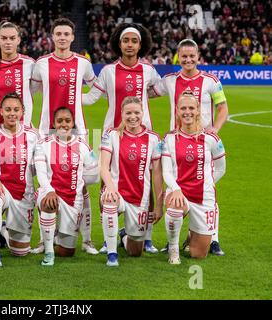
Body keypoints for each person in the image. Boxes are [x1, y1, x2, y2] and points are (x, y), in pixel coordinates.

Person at [82, 23, 161, 254]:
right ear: (119, 43)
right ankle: (110, 237)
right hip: (111, 134)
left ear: (140, 44)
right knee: (106, 181)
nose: (129, 45)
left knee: (145, 180)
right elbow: (92, 97)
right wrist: (70, 95)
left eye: (134, 41)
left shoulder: (148, 71)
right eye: (125, 40)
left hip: (143, 134)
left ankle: (146, 236)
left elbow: (160, 90)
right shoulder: (108, 71)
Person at [152, 39, 229, 255]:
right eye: (184, 56)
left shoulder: (211, 81)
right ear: (178, 56)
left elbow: (223, 108)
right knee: (175, 190)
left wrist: (214, 129)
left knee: (208, 190)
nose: (188, 60)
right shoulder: (169, 81)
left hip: (203, 145)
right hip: (176, 146)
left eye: (191, 56)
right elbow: (147, 93)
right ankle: (173, 239)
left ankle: (213, 238)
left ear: (198, 56)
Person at [31, 17, 99, 255]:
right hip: (46, 130)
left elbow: (95, 88)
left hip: (76, 130)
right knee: (44, 182)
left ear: (72, 37)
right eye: (58, 33)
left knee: (81, 184)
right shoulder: (41, 64)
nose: (62, 37)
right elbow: (31, 94)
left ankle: (87, 240)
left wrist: (81, 100)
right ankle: (44, 238)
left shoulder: (83, 63)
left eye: (66, 34)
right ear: (52, 37)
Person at [0, 21, 36, 254]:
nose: (8, 42)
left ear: (19, 40)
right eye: (4, 38)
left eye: (13, 38)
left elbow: (36, 92)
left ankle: (13, 228)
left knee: (24, 181)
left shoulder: (30, 65)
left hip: (23, 134)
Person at [161, 90, 226, 264]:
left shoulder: (212, 138)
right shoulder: (169, 138)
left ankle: (192, 235)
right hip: (179, 192)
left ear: (198, 110)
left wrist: (208, 184)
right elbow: (166, 171)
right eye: (183, 108)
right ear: (177, 111)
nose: (187, 112)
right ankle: (173, 250)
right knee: (174, 206)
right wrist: (175, 189)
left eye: (191, 108)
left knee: (199, 254)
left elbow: (220, 168)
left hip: (203, 196)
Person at [100, 97, 163, 266]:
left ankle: (123, 235)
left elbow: (157, 173)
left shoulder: (154, 139)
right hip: (118, 193)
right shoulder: (111, 135)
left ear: (143, 114)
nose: (132, 116)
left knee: (135, 251)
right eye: (128, 113)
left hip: (139, 198)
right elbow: (103, 166)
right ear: (122, 114)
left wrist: (158, 204)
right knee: (109, 201)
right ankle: (112, 253)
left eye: (136, 112)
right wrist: (111, 189)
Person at [0, 92, 39, 267]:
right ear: (1, 112)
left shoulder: (33, 136)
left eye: (16, 109)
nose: (12, 113)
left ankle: (3, 230)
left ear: (23, 112)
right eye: (8, 109)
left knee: (21, 251)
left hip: (23, 193)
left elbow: (37, 168)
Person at [34, 106, 99, 266]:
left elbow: (94, 174)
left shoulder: (83, 146)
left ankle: (54, 235)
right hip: (50, 193)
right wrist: (49, 191)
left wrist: (80, 181)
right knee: (49, 202)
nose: (64, 124)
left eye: (67, 121)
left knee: (67, 252)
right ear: (54, 124)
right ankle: (48, 251)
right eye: (60, 121)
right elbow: (41, 173)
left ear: (73, 124)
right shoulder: (44, 144)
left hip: (72, 200)